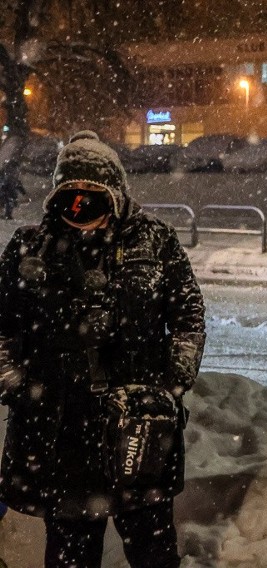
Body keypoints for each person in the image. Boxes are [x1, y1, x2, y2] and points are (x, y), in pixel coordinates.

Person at [0, 130, 206, 567]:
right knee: (71, 552)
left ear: (114, 191)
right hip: (62, 433)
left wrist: (170, 386)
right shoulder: (28, 247)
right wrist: (18, 387)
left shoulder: (155, 240)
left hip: (140, 429)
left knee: (153, 550)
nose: (81, 200)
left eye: (92, 190)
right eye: (70, 189)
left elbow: (188, 318)